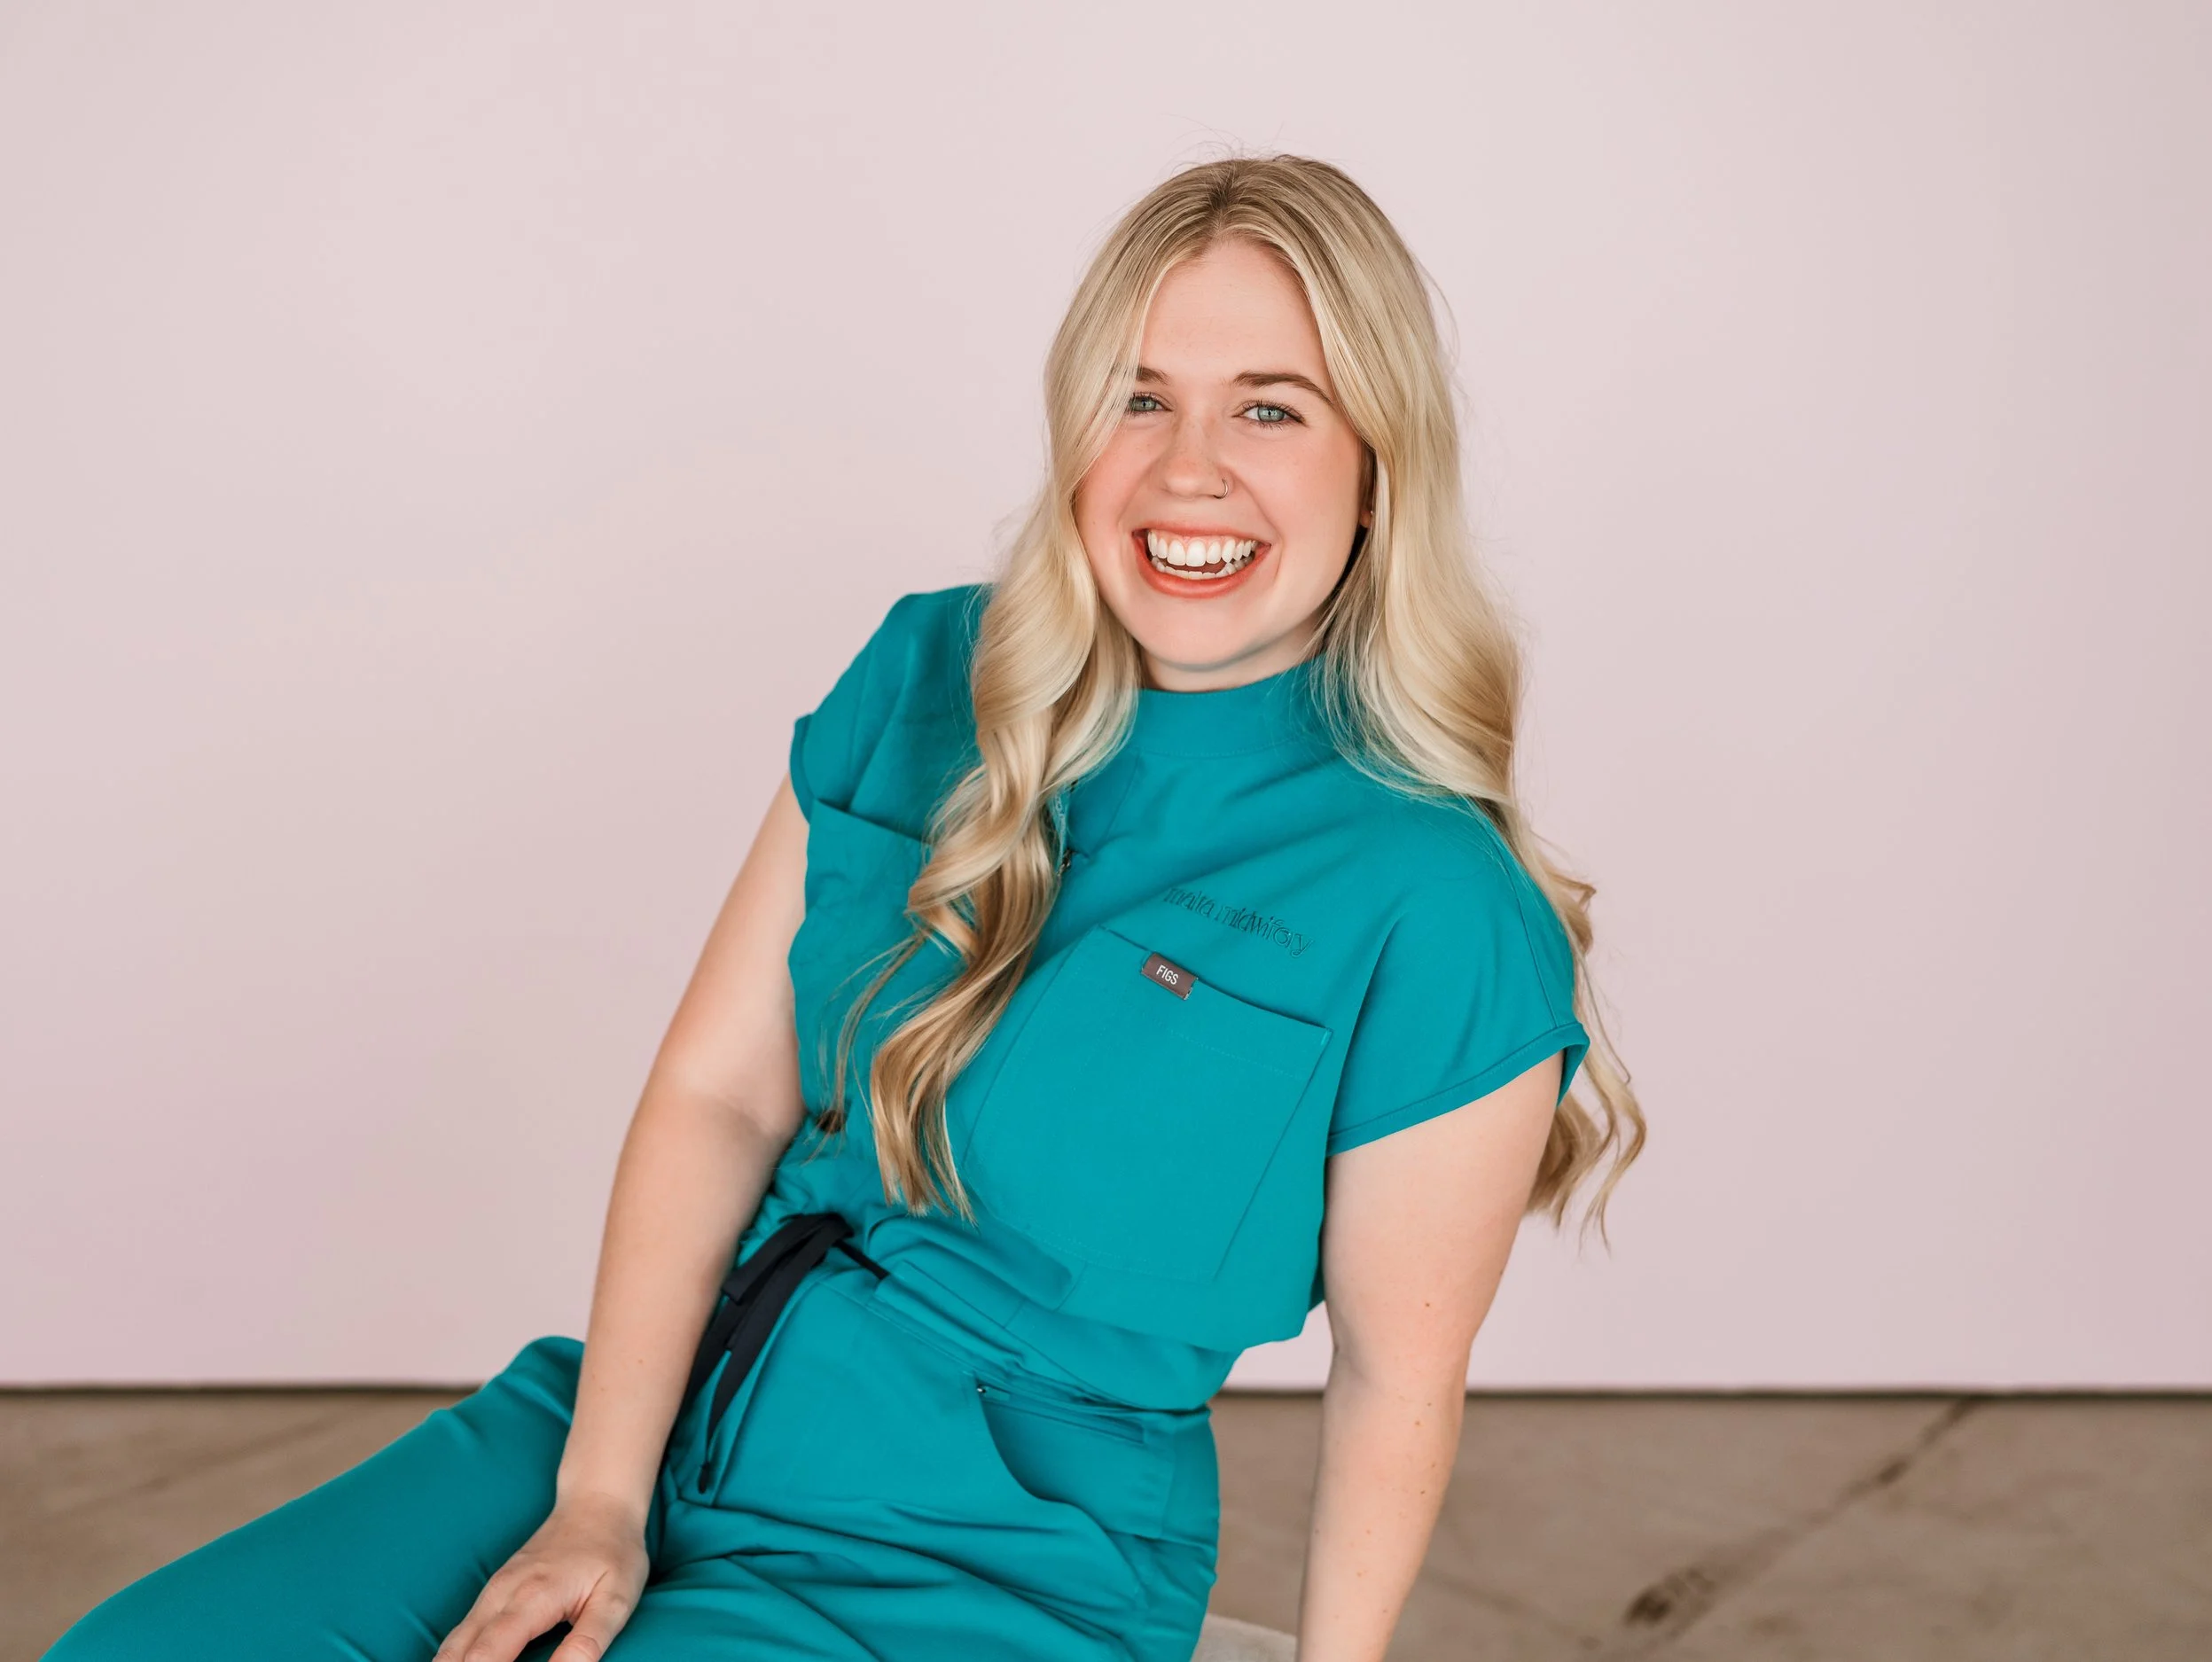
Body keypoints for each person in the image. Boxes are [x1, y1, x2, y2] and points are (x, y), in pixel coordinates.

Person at [47, 153, 1644, 1662]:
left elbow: (1393, 1381)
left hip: (987, 1548)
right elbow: (721, 1089)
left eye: (1270, 408)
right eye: (1137, 395)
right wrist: (598, 1499)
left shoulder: (1434, 897)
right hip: (664, 1401)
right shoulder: (932, 671)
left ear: (1378, 469)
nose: (1186, 468)